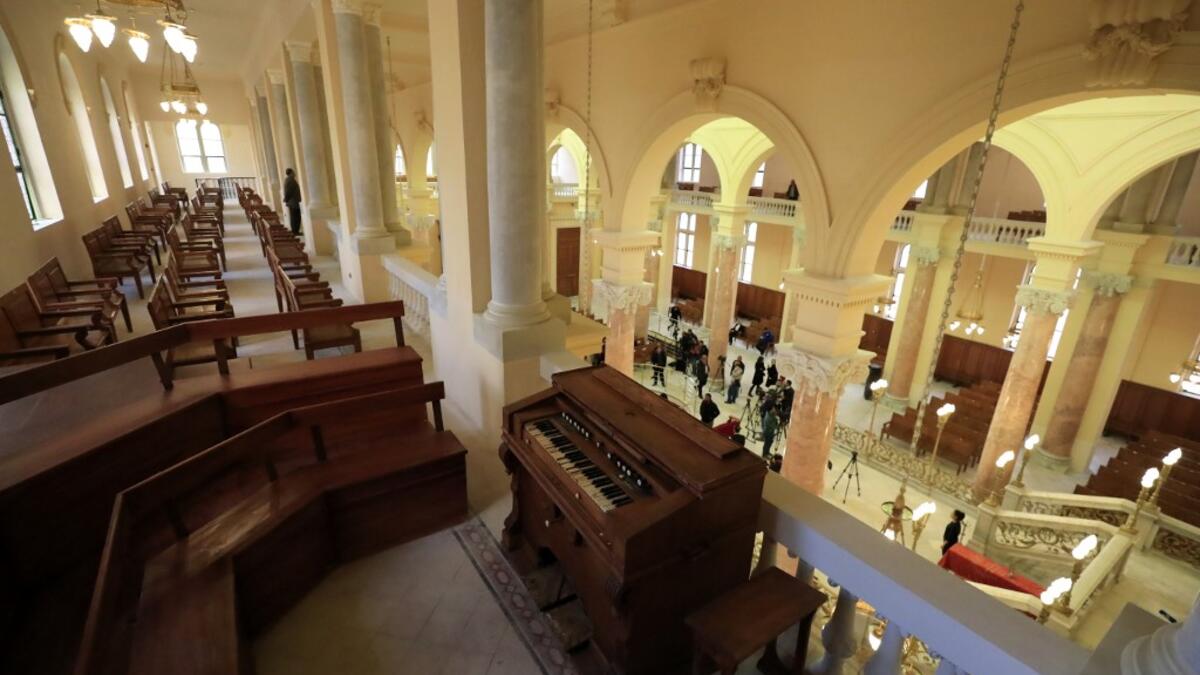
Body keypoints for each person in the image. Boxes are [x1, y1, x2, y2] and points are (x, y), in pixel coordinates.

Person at [283, 168, 303, 236]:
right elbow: (289, 192)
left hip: (292, 202)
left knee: (294, 217)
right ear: (291, 173)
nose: (294, 173)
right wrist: (286, 199)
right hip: (293, 202)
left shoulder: (288, 180)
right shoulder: (290, 180)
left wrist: (286, 199)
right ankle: (295, 231)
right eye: (293, 172)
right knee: (295, 217)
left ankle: (295, 231)